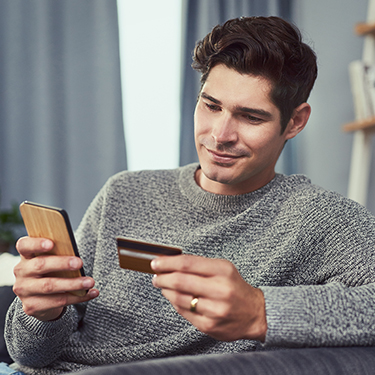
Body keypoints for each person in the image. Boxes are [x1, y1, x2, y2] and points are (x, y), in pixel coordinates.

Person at [3, 15, 375, 375]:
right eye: (211, 106)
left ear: (295, 121)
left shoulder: (320, 219)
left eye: (251, 117)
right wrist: (41, 312)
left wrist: (261, 311)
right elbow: (32, 356)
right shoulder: (125, 192)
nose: (219, 135)